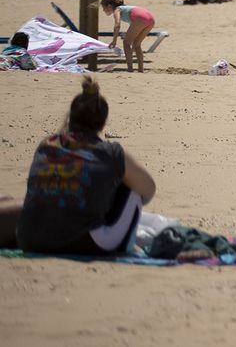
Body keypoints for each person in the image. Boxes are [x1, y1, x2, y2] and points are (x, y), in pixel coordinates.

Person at [13, 78, 157, 256]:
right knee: (131, 191)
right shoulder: (110, 153)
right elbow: (148, 189)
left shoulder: (47, 144)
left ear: (71, 118)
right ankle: (128, 247)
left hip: (29, 239)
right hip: (82, 242)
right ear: (102, 124)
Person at [101, 0, 156, 73]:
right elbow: (133, 19)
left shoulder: (117, 9)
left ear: (109, 6)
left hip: (141, 19)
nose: (103, 10)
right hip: (151, 20)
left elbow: (117, 25)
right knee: (136, 44)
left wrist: (114, 40)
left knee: (126, 43)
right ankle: (141, 70)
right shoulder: (126, 8)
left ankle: (130, 69)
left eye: (103, 8)